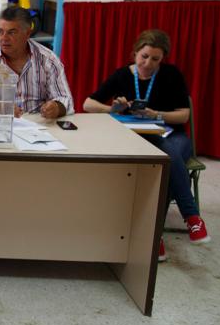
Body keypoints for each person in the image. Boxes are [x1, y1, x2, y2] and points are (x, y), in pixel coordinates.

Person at [83, 29, 210, 259]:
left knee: (167, 157)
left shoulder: (171, 75)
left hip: (172, 135)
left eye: (155, 59)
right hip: (139, 135)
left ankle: (155, 234)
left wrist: (156, 114)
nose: (148, 63)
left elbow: (183, 116)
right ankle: (189, 220)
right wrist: (112, 109)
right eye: (144, 56)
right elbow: (88, 104)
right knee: (165, 160)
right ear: (135, 53)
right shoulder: (122, 75)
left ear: (163, 59)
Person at [0, 6, 73, 119]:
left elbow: (65, 99)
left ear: (27, 33)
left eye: (11, 32)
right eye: (0, 32)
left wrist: (56, 107)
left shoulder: (47, 59)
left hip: (39, 124)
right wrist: (1, 108)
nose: (4, 38)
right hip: (0, 123)